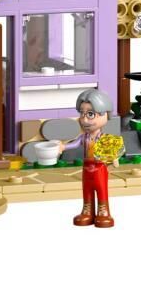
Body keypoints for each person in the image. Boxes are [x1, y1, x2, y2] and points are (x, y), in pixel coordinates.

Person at [59, 88, 119, 228]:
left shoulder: (104, 138)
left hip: (100, 168)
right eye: (82, 113)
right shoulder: (84, 137)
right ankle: (87, 210)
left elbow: (112, 152)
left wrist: (114, 159)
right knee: (87, 189)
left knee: (101, 189)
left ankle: (103, 211)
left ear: (105, 114)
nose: (84, 120)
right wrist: (63, 147)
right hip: (86, 168)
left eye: (90, 114)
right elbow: (75, 144)